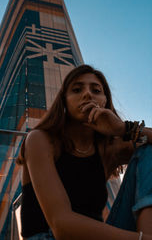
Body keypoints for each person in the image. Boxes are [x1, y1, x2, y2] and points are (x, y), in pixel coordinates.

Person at [17, 64, 152, 240]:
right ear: (64, 101)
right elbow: (61, 225)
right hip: (47, 237)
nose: (87, 94)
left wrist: (123, 129)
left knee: (148, 147)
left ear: (105, 101)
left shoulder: (108, 150)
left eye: (96, 90)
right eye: (77, 89)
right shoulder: (40, 139)